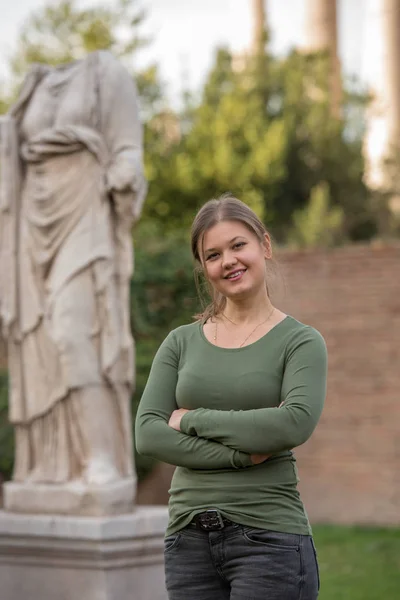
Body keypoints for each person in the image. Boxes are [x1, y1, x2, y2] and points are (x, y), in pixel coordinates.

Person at [135, 193, 327, 599]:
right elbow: (148, 433)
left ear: (265, 246)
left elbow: (292, 422)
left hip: (269, 540)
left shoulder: (301, 342)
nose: (229, 261)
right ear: (204, 268)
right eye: (213, 254)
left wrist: (189, 419)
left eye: (238, 245)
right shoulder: (180, 342)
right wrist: (240, 455)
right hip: (187, 541)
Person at [0, 50, 147, 486]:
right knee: (39, 340)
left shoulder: (107, 74)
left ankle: (100, 456)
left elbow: (128, 150)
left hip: (85, 209)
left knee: (73, 327)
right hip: (31, 222)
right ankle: (49, 465)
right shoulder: (32, 87)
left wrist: (126, 176)